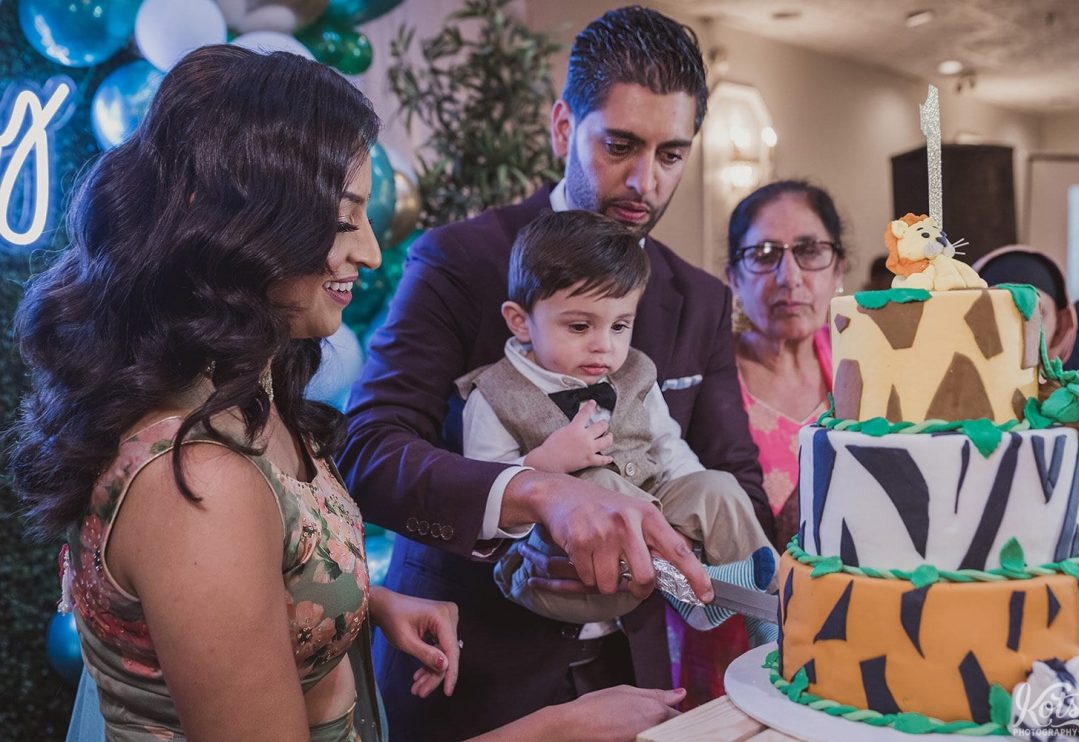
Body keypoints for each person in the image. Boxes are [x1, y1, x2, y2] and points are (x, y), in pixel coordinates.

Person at [11, 46, 683, 742]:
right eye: (343, 220)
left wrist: (362, 605)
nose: (366, 251)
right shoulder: (197, 481)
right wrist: (554, 731)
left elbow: (257, 587)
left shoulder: (249, 401)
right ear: (245, 223)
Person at [338, 6, 770, 739]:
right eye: (621, 145)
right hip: (467, 674)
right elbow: (370, 449)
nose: (644, 180)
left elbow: (733, 476)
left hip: (630, 677)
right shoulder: (459, 261)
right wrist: (530, 496)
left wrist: (661, 564)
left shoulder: (698, 300)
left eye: (670, 155)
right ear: (564, 128)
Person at [456, 210, 774, 624]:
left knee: (719, 486)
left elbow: (667, 446)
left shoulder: (635, 372)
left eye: (620, 325)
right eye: (580, 327)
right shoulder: (494, 395)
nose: (603, 347)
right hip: (555, 570)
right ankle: (698, 586)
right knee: (597, 485)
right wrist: (546, 463)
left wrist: (697, 502)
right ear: (521, 322)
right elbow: (486, 497)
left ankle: (768, 608)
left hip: (645, 551)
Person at [669, 180, 847, 708]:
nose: (788, 277)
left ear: (839, 269)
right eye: (763, 254)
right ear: (732, 277)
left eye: (810, 251)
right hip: (724, 643)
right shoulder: (703, 380)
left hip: (844, 638)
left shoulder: (868, 374)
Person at [973, 245, 1079, 548]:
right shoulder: (937, 414)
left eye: (1035, 313)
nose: (1014, 327)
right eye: (996, 310)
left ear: (1060, 326)